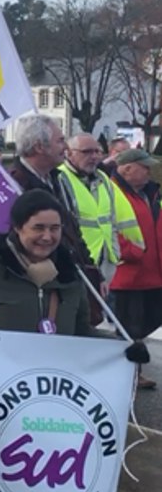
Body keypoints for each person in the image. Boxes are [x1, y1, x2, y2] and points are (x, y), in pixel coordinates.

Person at [0, 191, 98, 337]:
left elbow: (82, 332)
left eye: (54, 229)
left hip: (54, 365)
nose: (47, 237)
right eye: (38, 228)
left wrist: (119, 344)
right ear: (18, 227)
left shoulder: (70, 275)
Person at [9, 116, 105, 312]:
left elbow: (72, 231)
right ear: (39, 147)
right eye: (60, 141)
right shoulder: (14, 185)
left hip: (66, 282)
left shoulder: (56, 180)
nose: (66, 148)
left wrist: (93, 273)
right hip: (39, 288)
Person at [108, 149, 162, 390]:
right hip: (128, 276)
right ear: (127, 168)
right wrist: (132, 252)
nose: (150, 171)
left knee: (144, 325)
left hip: (150, 274)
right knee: (129, 328)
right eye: (145, 167)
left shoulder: (146, 193)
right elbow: (107, 228)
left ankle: (133, 372)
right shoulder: (112, 192)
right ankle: (127, 374)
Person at [60, 133, 134, 283]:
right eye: (86, 152)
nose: (94, 156)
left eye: (97, 152)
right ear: (69, 153)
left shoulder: (102, 178)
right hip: (79, 264)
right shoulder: (61, 177)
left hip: (106, 262)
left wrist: (115, 252)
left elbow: (111, 219)